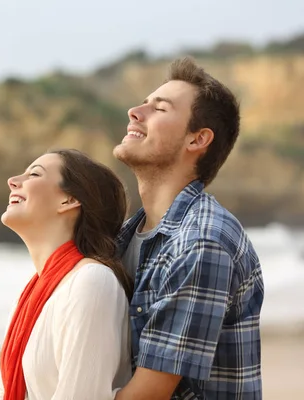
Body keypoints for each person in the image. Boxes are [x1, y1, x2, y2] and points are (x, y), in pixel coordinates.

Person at [112, 57, 264, 399]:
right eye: (143, 103)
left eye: (159, 108)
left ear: (197, 139)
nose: (135, 112)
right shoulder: (122, 237)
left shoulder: (202, 242)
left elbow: (148, 395)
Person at [0, 149, 134, 400]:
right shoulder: (32, 293)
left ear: (69, 200)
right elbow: (0, 390)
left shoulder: (92, 282)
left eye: (34, 174)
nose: (13, 181)